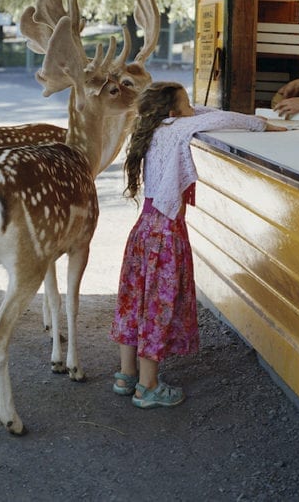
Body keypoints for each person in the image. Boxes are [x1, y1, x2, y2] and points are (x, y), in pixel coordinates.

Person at [110, 81, 286, 408]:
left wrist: (186, 108)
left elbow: (205, 113)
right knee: (157, 306)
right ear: (174, 113)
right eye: (187, 102)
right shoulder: (179, 129)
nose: (194, 108)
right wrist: (261, 124)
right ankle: (148, 387)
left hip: (144, 229)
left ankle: (126, 374)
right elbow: (219, 119)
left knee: (134, 299)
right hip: (165, 233)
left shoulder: (157, 127)